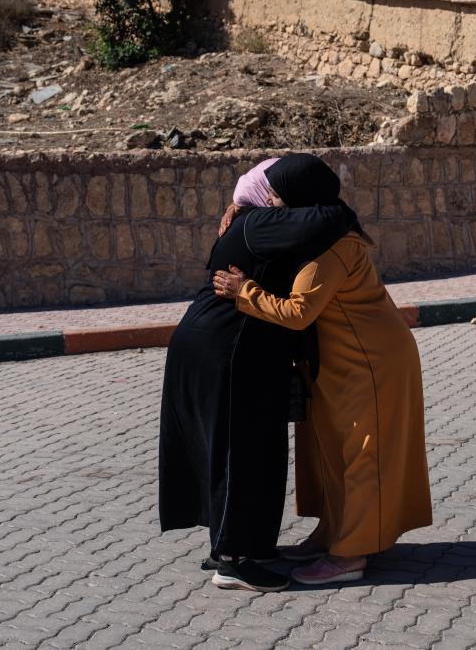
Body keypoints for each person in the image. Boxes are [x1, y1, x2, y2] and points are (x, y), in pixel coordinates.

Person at [212, 153, 432, 586]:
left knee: (361, 454)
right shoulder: (316, 232)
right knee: (332, 451)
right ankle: (333, 532)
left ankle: (351, 554)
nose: (271, 201)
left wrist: (245, 291)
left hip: (370, 361)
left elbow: (297, 312)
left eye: (277, 194)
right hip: (341, 360)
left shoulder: (333, 246)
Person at [158, 157, 355, 593]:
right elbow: (332, 219)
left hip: (235, 348)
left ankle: (248, 546)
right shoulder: (259, 222)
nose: (277, 197)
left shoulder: (256, 220)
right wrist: (330, 206)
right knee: (238, 452)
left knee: (258, 450)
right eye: (274, 188)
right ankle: (232, 561)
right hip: (224, 347)